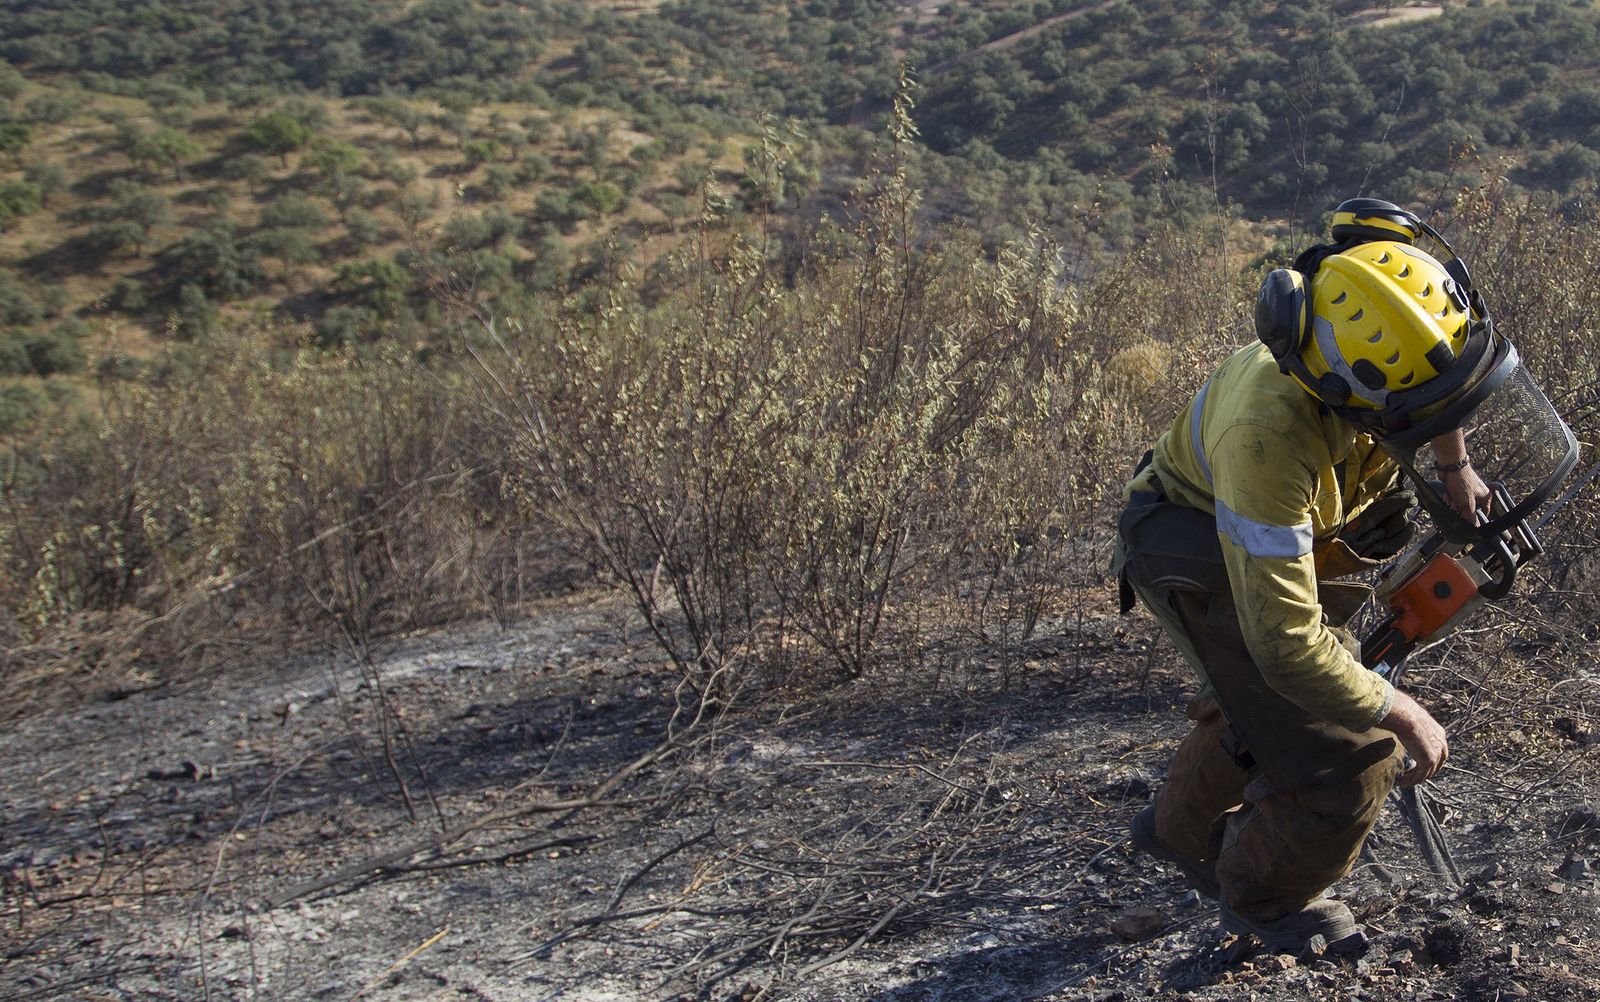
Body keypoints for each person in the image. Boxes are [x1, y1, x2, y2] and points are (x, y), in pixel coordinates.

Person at [1114, 198, 1499, 951]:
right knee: (1353, 751)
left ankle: (1174, 832)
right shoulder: (1268, 435)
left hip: (1241, 523)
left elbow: (1434, 374)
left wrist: (1454, 463)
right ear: (1351, 397)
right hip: (1184, 543)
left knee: (1267, 704)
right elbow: (1288, 646)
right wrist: (1398, 711)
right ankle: (1263, 897)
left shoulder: (1373, 357)